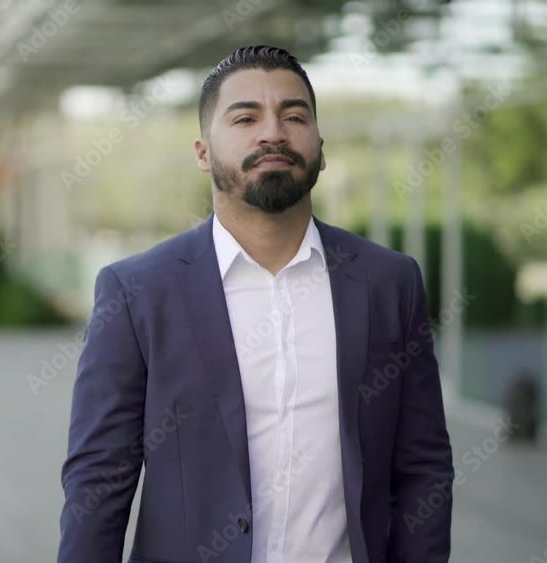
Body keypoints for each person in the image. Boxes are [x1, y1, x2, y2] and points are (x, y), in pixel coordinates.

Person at [58, 45, 454, 563]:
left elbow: (423, 466)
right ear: (203, 152)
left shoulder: (389, 283)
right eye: (246, 118)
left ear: (320, 147)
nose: (273, 132)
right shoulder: (137, 293)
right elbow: (98, 480)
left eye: (294, 116)